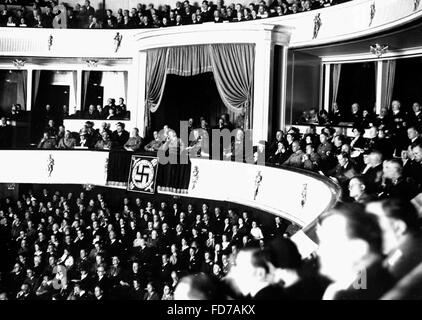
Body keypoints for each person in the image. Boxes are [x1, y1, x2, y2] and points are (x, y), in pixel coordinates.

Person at [317, 203, 396, 300]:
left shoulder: (345, 295)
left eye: (327, 242)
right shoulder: (382, 276)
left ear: (359, 249)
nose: (320, 251)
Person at [366, 199, 422, 281]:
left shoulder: (401, 258)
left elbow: (361, 287)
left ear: (398, 227)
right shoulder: (411, 243)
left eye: (374, 219)